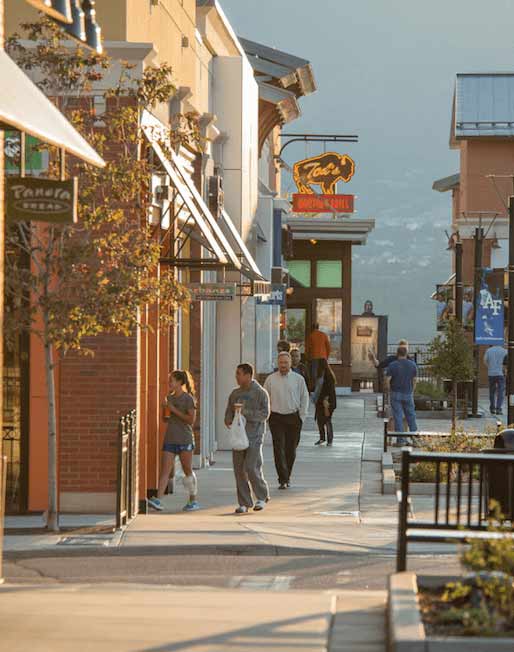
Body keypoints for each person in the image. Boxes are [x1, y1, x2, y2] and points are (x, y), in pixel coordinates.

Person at [149, 370, 199, 512]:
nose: (169, 383)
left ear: (179, 382)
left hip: (185, 439)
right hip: (170, 438)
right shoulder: (168, 398)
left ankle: (193, 500)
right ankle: (158, 500)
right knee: (165, 470)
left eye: (172, 380)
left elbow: (191, 420)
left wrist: (173, 410)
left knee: (187, 470)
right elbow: (166, 419)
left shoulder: (188, 399)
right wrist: (164, 410)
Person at [225, 363, 271, 514]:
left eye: (239, 374)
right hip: (238, 437)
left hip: (254, 435)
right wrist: (229, 420)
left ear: (248, 375)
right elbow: (228, 413)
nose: (236, 377)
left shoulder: (260, 393)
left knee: (251, 467)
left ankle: (261, 496)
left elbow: (265, 414)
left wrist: (246, 412)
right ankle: (244, 502)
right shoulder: (234, 394)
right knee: (239, 469)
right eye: (236, 374)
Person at [264, 352, 310, 490]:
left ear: (290, 364)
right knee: (278, 449)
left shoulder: (298, 379)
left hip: (293, 418)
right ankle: (282, 479)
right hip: (276, 418)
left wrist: (302, 416)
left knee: (291, 449)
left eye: (285, 363)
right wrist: (267, 416)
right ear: (277, 364)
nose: (283, 365)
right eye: (281, 363)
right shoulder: (270, 380)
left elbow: (305, 398)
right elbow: (264, 398)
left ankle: (287, 475)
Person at [385, 346, 418, 446]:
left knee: (398, 417)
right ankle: (415, 439)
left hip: (395, 393)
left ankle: (401, 440)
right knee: (411, 416)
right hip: (408, 393)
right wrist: (412, 390)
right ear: (406, 353)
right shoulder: (412, 365)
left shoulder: (392, 365)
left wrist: (389, 389)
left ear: (397, 353)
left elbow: (387, 380)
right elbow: (415, 380)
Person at [312, 358, 337, 446]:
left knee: (327, 420)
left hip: (327, 402)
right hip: (320, 402)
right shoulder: (322, 375)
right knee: (320, 421)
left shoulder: (328, 376)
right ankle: (322, 438)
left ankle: (329, 440)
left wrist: (326, 402)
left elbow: (329, 390)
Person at [484, 343, 507, 415]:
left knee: (492, 391)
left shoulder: (488, 350)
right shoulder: (505, 351)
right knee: (501, 392)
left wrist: (489, 367)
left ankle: (492, 408)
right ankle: (498, 409)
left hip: (491, 373)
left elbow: (484, 361)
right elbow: (507, 363)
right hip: (501, 373)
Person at [306, 323, 331, 387]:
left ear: (312, 328)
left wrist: (308, 357)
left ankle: (315, 387)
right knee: (321, 374)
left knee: (314, 373)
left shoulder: (311, 336)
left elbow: (308, 348)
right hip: (323, 357)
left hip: (314, 357)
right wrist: (326, 356)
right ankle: (320, 386)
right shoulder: (324, 335)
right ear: (318, 327)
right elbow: (328, 347)